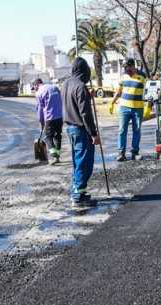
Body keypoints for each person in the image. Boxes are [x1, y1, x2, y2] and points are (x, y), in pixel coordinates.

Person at [61, 58, 101, 208]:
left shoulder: (66, 84)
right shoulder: (80, 87)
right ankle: (77, 196)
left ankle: (80, 191)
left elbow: (73, 103)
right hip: (80, 129)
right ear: (85, 71)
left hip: (70, 128)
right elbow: (85, 114)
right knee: (84, 163)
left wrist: (87, 97)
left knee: (77, 161)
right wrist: (93, 133)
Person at [109, 59, 146, 161]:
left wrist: (149, 106)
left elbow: (149, 92)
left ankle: (135, 153)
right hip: (124, 108)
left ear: (133, 66)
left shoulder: (143, 76)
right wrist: (112, 102)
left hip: (138, 109)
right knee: (122, 130)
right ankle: (121, 153)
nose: (126, 70)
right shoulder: (123, 76)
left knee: (137, 130)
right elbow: (119, 91)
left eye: (128, 67)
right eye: (125, 68)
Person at [35, 78, 64, 165]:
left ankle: (54, 156)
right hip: (60, 117)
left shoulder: (39, 92)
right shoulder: (55, 88)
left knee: (48, 137)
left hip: (49, 118)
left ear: (36, 85)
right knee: (58, 136)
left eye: (34, 87)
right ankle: (57, 156)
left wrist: (41, 123)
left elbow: (40, 110)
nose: (35, 89)